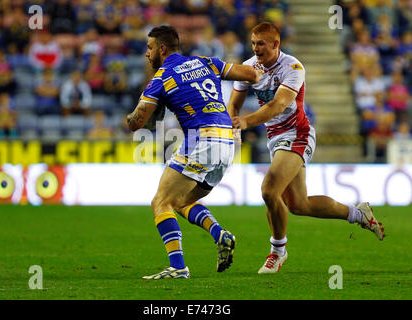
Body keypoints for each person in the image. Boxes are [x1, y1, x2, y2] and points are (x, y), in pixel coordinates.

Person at [229, 22, 385, 274]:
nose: (256, 48)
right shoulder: (248, 68)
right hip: (275, 138)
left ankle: (277, 252)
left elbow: (278, 105)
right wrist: (234, 128)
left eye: (261, 44)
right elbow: (233, 104)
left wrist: (246, 121)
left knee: (270, 190)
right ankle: (359, 214)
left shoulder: (293, 67)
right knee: (299, 205)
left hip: (297, 134)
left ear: (276, 44)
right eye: (253, 43)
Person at [125, 25, 262, 280]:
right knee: (180, 202)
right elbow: (251, 75)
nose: (147, 54)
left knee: (160, 202)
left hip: (201, 139)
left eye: (150, 48)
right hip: (227, 142)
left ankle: (178, 267)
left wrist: (133, 114)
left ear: (162, 49)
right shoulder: (206, 62)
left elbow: (136, 122)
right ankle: (220, 234)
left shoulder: (161, 78)